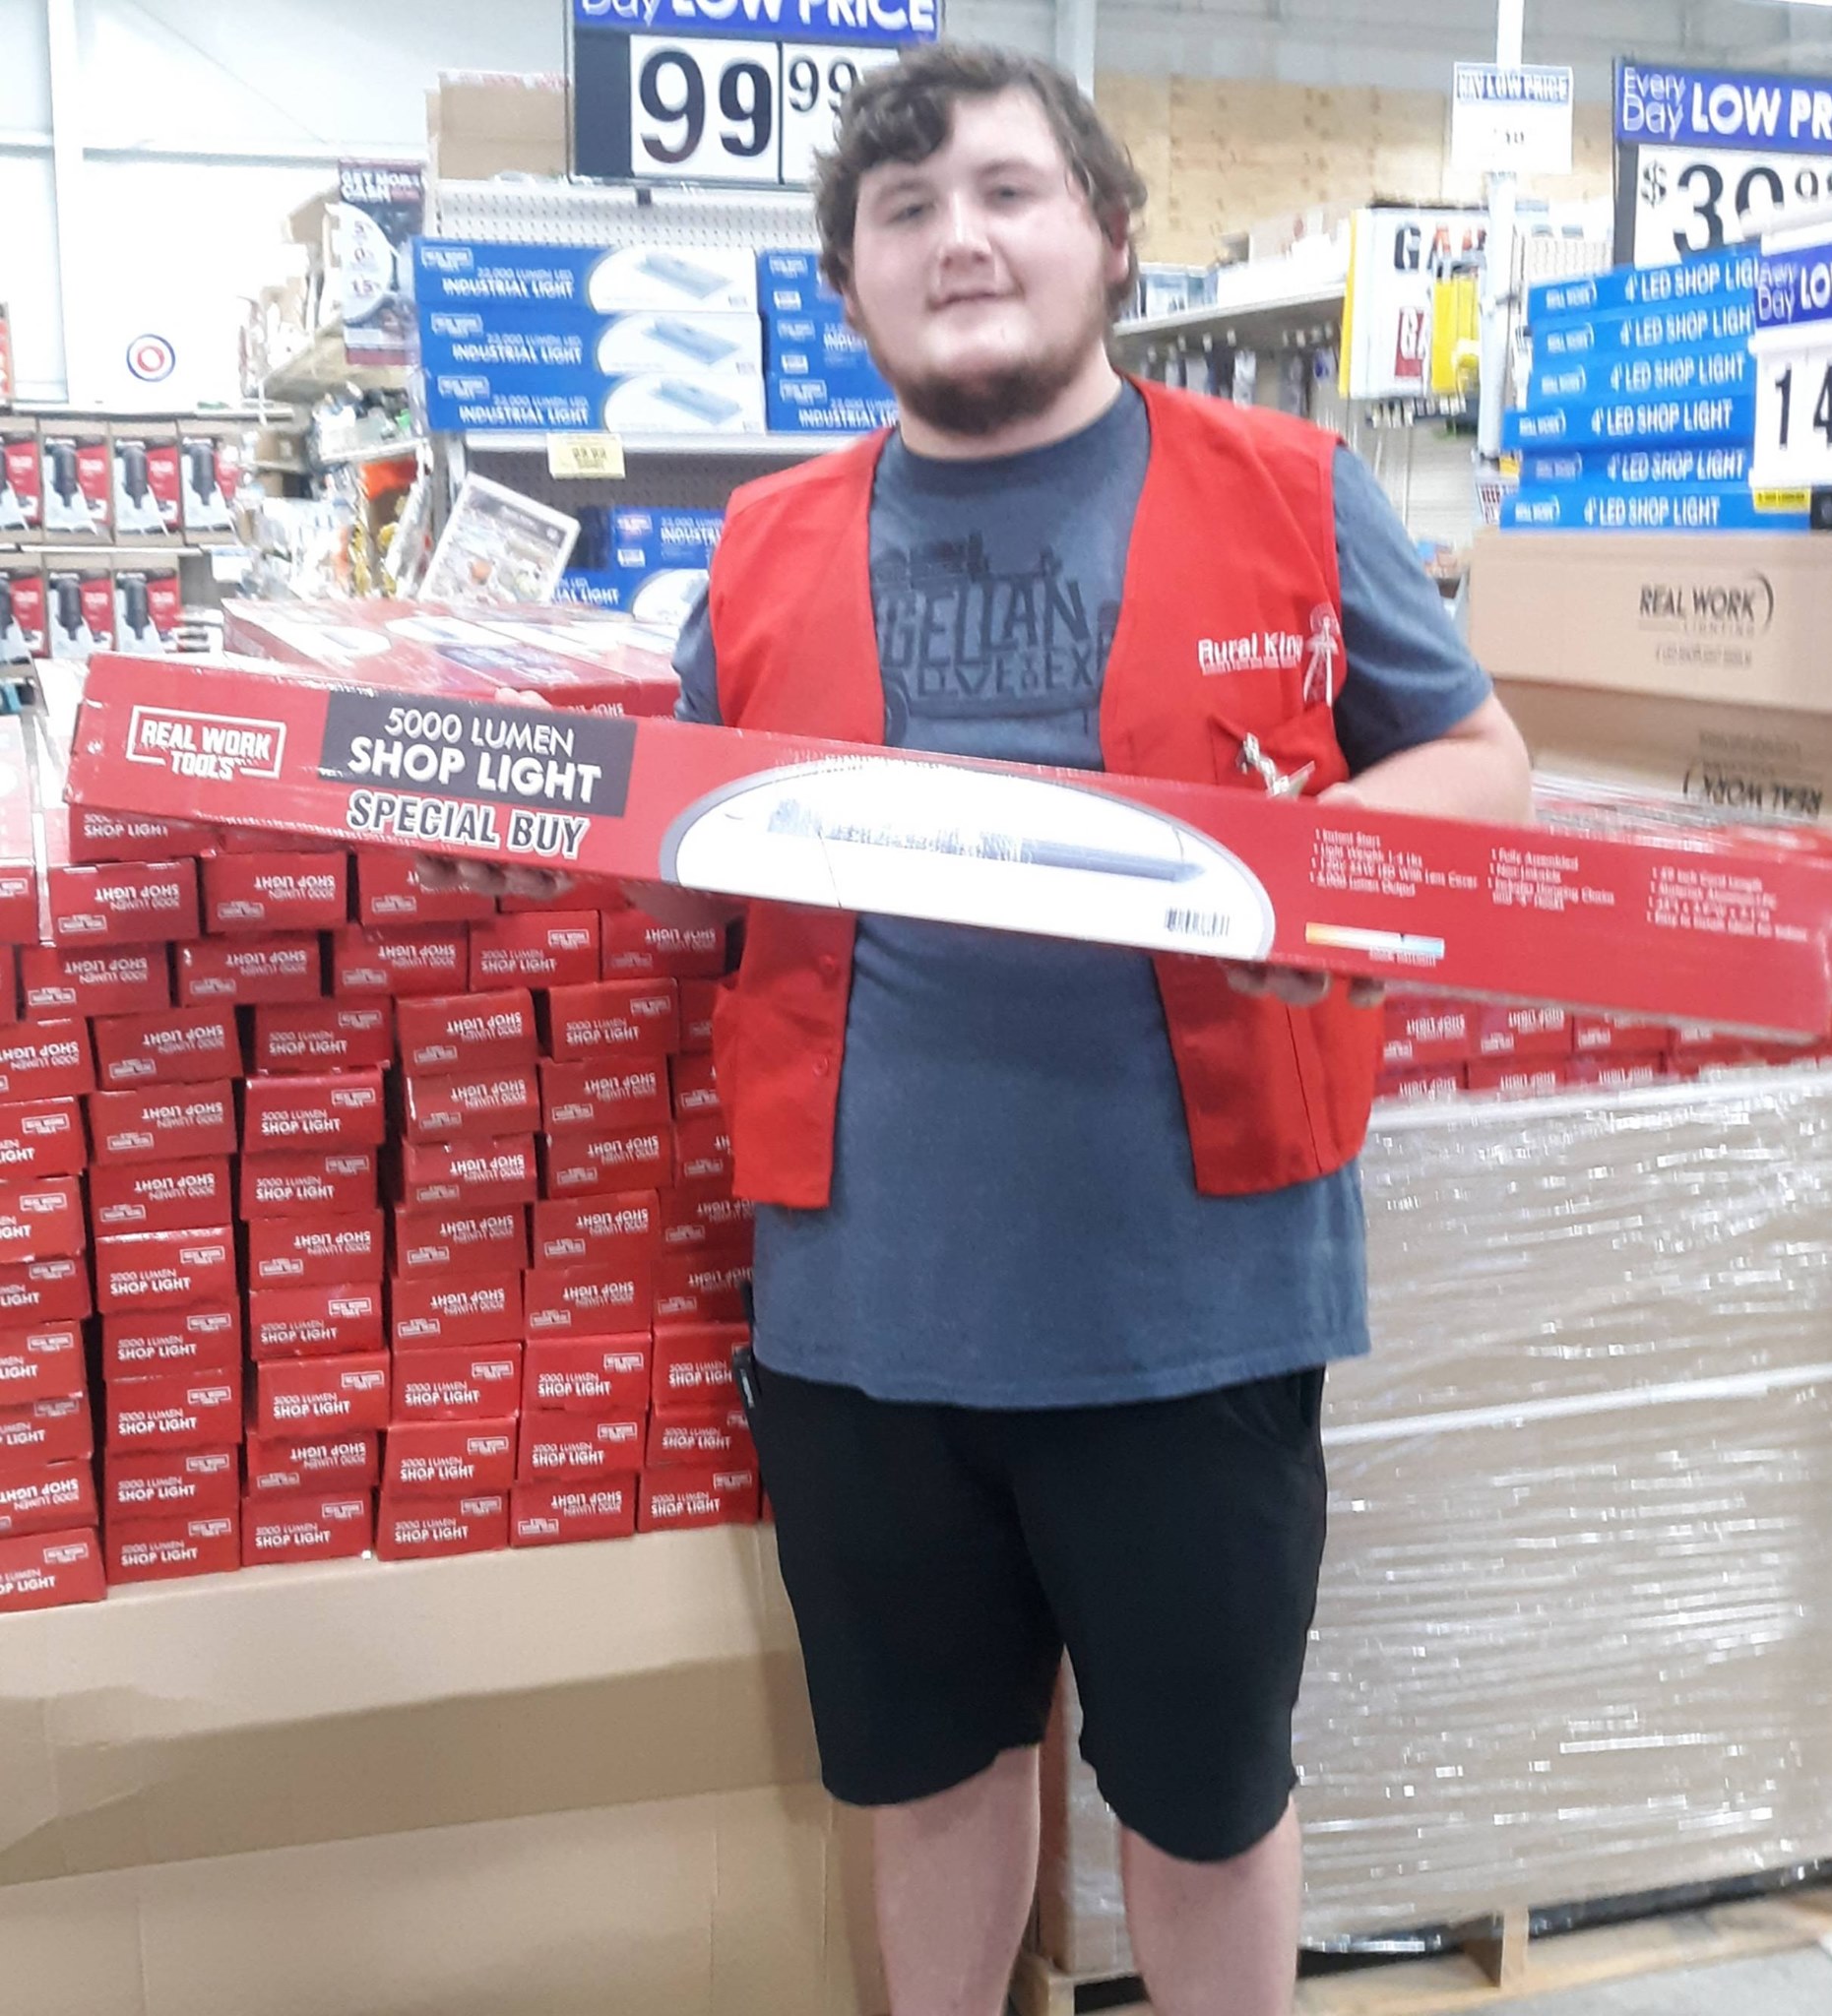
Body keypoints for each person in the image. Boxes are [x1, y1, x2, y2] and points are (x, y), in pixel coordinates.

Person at [431, 44, 1530, 2016]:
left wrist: (1327, 868)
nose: (959, 238)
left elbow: (1478, 756)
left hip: (1195, 1308)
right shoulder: (764, 543)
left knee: (1204, 1800)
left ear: (1110, 237)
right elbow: (699, 864)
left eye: (1009, 192)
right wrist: (528, 838)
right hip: (870, 1314)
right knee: (925, 1781)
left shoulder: (1292, 491)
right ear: (846, 283)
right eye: (905, 209)